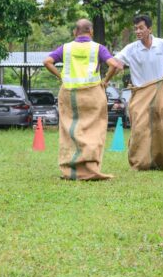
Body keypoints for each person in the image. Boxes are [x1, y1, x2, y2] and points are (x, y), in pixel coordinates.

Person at [43, 19, 122, 181]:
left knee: (70, 130)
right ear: (91, 32)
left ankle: (70, 170)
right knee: (94, 130)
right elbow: (115, 65)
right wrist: (105, 80)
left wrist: (60, 76)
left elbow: (47, 61)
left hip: (70, 93)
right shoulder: (97, 48)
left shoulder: (66, 48)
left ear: (74, 32)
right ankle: (91, 168)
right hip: (92, 94)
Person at [114, 15, 163, 171]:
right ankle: (140, 163)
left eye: (141, 28)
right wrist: (114, 70)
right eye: (135, 28)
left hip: (161, 90)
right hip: (140, 93)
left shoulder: (162, 44)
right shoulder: (131, 48)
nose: (138, 31)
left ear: (149, 29)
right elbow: (116, 61)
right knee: (139, 128)